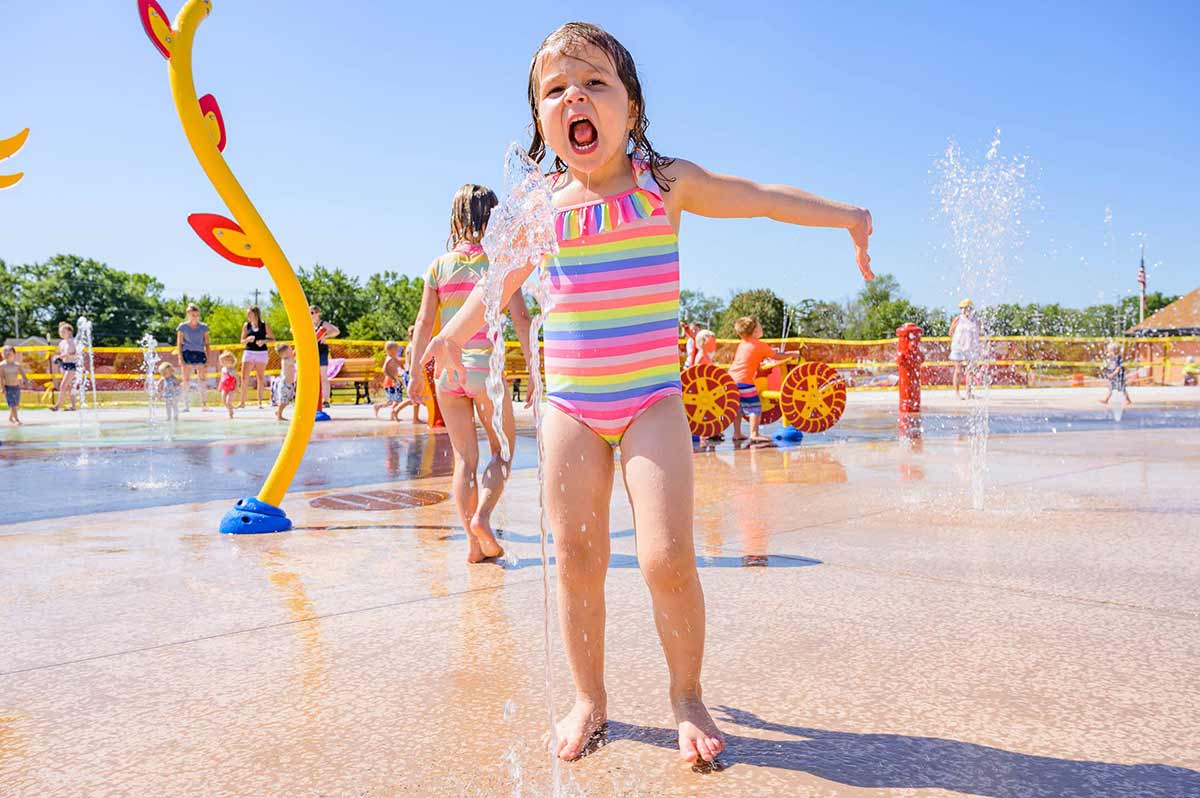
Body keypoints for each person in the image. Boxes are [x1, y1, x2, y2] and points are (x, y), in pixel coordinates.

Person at [422, 22, 873, 765]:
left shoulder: (664, 184)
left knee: (665, 556)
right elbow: (496, 287)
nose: (576, 96)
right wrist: (452, 334)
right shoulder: (539, 208)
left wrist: (846, 216)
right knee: (574, 554)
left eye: (596, 82)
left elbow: (757, 197)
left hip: (650, 401)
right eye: (555, 89)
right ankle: (589, 698)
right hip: (571, 403)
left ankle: (686, 694)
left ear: (631, 108)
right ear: (541, 122)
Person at [409, 183, 535, 563]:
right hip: (486, 372)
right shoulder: (501, 263)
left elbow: (424, 321)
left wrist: (417, 373)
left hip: (447, 372)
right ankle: (482, 518)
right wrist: (533, 368)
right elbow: (522, 318)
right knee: (503, 452)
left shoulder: (439, 266)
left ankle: (471, 543)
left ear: (456, 218)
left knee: (465, 458)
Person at [729, 316, 782, 446]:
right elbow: (777, 356)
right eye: (759, 326)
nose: (761, 327)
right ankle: (754, 434)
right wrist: (793, 354)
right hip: (745, 381)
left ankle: (737, 433)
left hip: (731, 379)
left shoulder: (742, 344)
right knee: (754, 408)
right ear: (755, 331)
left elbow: (749, 360)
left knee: (738, 408)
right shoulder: (760, 345)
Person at [175, 303, 211, 411]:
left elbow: (207, 344)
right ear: (188, 314)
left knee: (202, 379)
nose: (194, 316)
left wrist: (208, 359)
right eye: (192, 314)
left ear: (199, 314)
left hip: (200, 353)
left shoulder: (204, 327)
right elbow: (179, 344)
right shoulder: (182, 327)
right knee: (186, 379)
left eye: (196, 314)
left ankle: (204, 404)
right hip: (187, 352)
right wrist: (180, 358)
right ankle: (186, 405)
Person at [238, 306, 274, 408]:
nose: (248, 316)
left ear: (256, 314)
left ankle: (260, 402)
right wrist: (247, 339)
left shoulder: (264, 325)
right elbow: (242, 341)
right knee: (244, 377)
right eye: (247, 314)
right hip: (249, 351)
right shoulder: (246, 325)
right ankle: (242, 402)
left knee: (260, 377)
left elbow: (272, 339)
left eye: (250, 313)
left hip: (261, 353)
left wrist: (263, 341)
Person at [948, 298, 982, 399]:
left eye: (966, 308)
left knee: (970, 371)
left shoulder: (976, 320)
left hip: (971, 348)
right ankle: (957, 393)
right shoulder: (958, 319)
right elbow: (950, 332)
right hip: (958, 348)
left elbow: (980, 333)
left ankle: (969, 392)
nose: (964, 310)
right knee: (958, 370)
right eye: (962, 308)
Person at [310, 305, 340, 410]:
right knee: (312, 376)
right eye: (310, 312)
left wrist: (325, 336)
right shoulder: (307, 324)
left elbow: (336, 331)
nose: (311, 315)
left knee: (323, 376)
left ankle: (326, 400)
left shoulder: (323, 324)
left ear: (318, 313)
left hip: (321, 350)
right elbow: (293, 329)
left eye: (313, 312)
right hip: (311, 351)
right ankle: (312, 399)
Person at [51, 321, 80, 412]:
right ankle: (73, 406)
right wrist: (57, 358)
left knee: (63, 385)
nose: (61, 333)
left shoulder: (74, 341)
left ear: (69, 332)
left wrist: (65, 355)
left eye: (63, 331)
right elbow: (61, 354)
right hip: (64, 365)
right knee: (69, 386)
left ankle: (58, 405)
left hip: (72, 365)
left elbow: (76, 354)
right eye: (60, 332)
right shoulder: (62, 343)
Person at [373, 340, 405, 420]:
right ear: (390, 350)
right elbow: (384, 370)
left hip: (395, 381)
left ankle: (389, 413)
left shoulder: (394, 358)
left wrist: (403, 372)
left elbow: (401, 366)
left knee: (396, 400)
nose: (398, 350)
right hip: (390, 382)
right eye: (396, 349)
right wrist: (393, 378)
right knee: (392, 401)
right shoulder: (389, 359)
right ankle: (379, 407)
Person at [1, 345, 30, 425]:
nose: (7, 355)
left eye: (9, 353)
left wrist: (26, 382)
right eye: (5, 353)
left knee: (16, 404)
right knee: (12, 404)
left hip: (16, 387)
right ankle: (16, 419)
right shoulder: (2, 365)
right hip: (8, 387)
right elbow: (1, 378)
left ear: (14, 354)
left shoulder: (17, 365)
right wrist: (2, 388)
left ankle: (10, 417)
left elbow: (23, 375)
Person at [1099, 341, 1132, 406]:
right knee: (1111, 387)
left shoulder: (1118, 358)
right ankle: (1106, 400)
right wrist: (1107, 371)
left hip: (1118, 376)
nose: (1108, 352)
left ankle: (1128, 400)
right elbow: (1111, 367)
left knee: (1122, 388)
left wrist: (1113, 374)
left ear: (1114, 351)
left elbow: (1118, 367)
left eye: (1109, 351)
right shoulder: (1112, 358)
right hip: (1113, 375)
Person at [271, 342, 297, 421]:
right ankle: (279, 415)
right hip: (285, 385)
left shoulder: (288, 358)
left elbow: (294, 356)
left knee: (286, 402)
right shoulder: (286, 360)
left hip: (289, 384)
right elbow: (295, 359)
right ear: (286, 353)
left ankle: (278, 412)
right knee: (283, 402)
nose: (292, 350)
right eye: (290, 349)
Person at [218, 350, 238, 418]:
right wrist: (220, 386)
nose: (221, 363)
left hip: (231, 388)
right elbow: (222, 378)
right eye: (221, 361)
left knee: (228, 401)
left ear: (229, 361)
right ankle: (230, 408)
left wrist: (236, 388)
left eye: (223, 361)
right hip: (224, 387)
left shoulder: (232, 370)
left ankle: (231, 413)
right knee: (223, 400)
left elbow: (237, 379)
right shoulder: (223, 369)